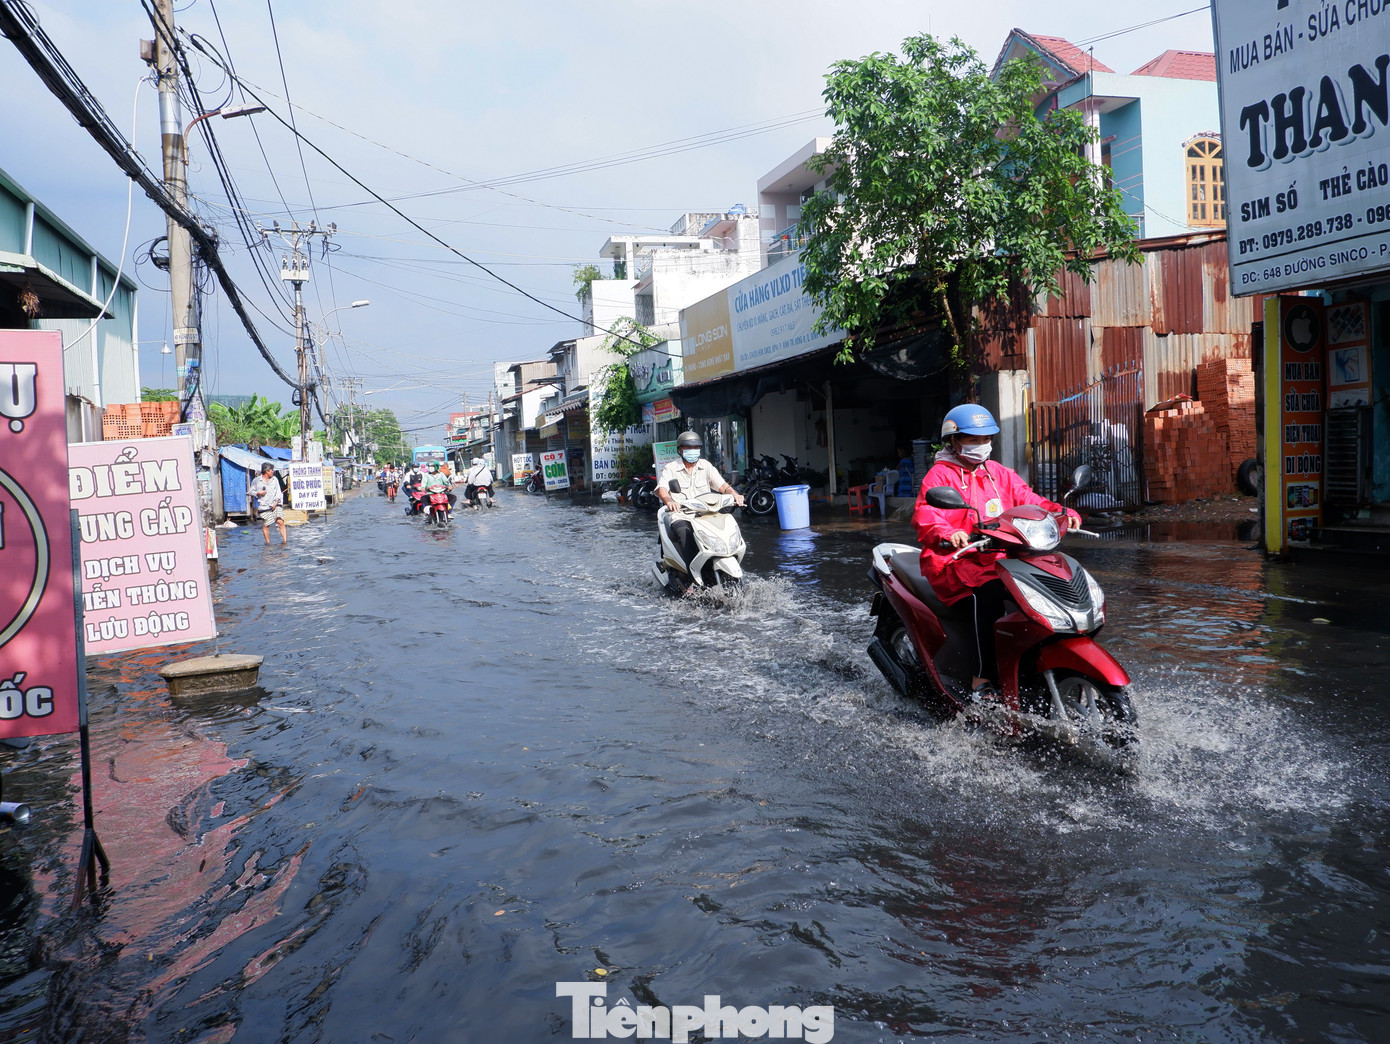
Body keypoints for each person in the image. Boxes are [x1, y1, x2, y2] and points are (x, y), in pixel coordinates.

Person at [912, 404, 1080, 698]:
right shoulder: (939, 476)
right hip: (956, 562)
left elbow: (1028, 500)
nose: (982, 446)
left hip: (1002, 557)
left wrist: (1060, 511)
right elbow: (927, 516)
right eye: (973, 440)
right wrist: (949, 533)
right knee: (987, 597)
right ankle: (981, 677)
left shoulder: (998, 473)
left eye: (986, 439)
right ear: (953, 440)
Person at [656, 431, 745, 567]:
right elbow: (662, 488)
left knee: (727, 527)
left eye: (696, 448)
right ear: (680, 450)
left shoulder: (706, 466)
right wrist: (669, 501)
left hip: (707, 514)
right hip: (682, 515)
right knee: (683, 532)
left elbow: (723, 486)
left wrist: (735, 494)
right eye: (688, 448)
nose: (693, 451)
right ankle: (691, 575)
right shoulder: (671, 468)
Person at [250, 462, 287, 545]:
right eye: (271, 470)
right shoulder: (256, 481)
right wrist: (259, 493)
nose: (273, 472)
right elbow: (251, 491)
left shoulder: (275, 479)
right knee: (267, 524)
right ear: (266, 471)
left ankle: (285, 541)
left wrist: (276, 502)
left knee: (280, 521)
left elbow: (278, 492)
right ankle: (268, 543)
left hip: (276, 503)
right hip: (264, 505)